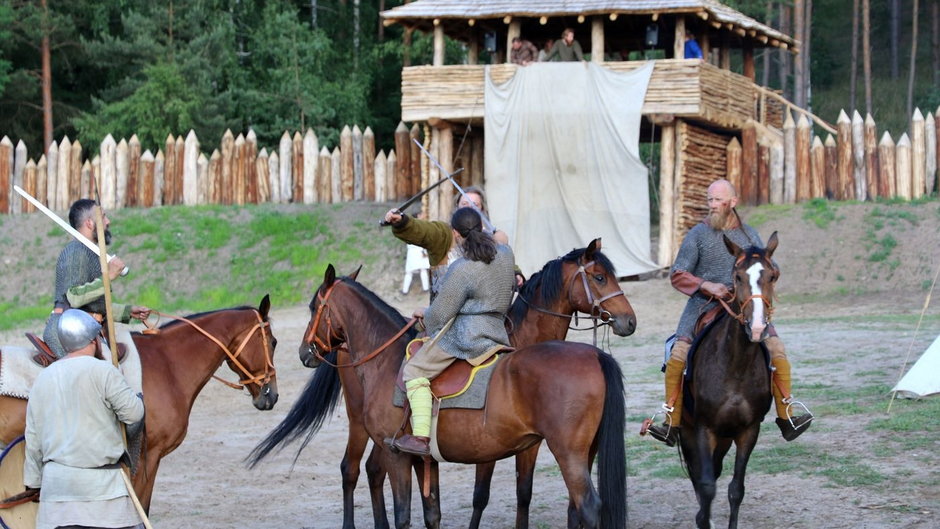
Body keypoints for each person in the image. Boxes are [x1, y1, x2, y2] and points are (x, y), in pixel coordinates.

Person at [646, 179, 813, 446]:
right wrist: (706, 285)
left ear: (732, 202)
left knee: (777, 350)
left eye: (717, 200)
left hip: (747, 307)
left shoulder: (749, 235)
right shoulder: (697, 235)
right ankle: (671, 421)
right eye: (709, 200)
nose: (711, 205)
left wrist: (766, 271)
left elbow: (772, 268)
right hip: (703, 306)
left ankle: (787, 416)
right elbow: (677, 275)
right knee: (678, 354)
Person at [391, 207, 516, 456]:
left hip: (467, 338)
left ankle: (421, 438)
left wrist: (421, 318)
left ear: (456, 234)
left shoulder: (461, 268)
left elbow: (440, 315)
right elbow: (501, 240)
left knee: (414, 370)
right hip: (498, 332)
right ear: (482, 228)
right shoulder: (506, 254)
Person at [25, 309, 146, 529]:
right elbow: (134, 413)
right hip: (103, 495)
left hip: (57, 494)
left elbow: (33, 438)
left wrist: (33, 482)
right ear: (94, 340)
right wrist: (137, 398)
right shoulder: (104, 372)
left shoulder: (43, 378)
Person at [42, 199, 151, 358]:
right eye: (103, 217)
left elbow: (90, 306)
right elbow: (74, 299)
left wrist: (127, 312)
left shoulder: (91, 253)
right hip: (67, 332)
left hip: (82, 327)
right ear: (89, 223)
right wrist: (109, 276)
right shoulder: (76, 251)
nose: (108, 221)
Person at [384, 185, 517, 302]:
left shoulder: (491, 239)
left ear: (482, 210)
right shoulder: (443, 235)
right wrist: (403, 222)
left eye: (475, 205)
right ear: (457, 208)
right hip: (446, 318)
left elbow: (504, 264)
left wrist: (515, 273)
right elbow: (424, 231)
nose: (470, 208)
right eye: (465, 204)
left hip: (486, 317)